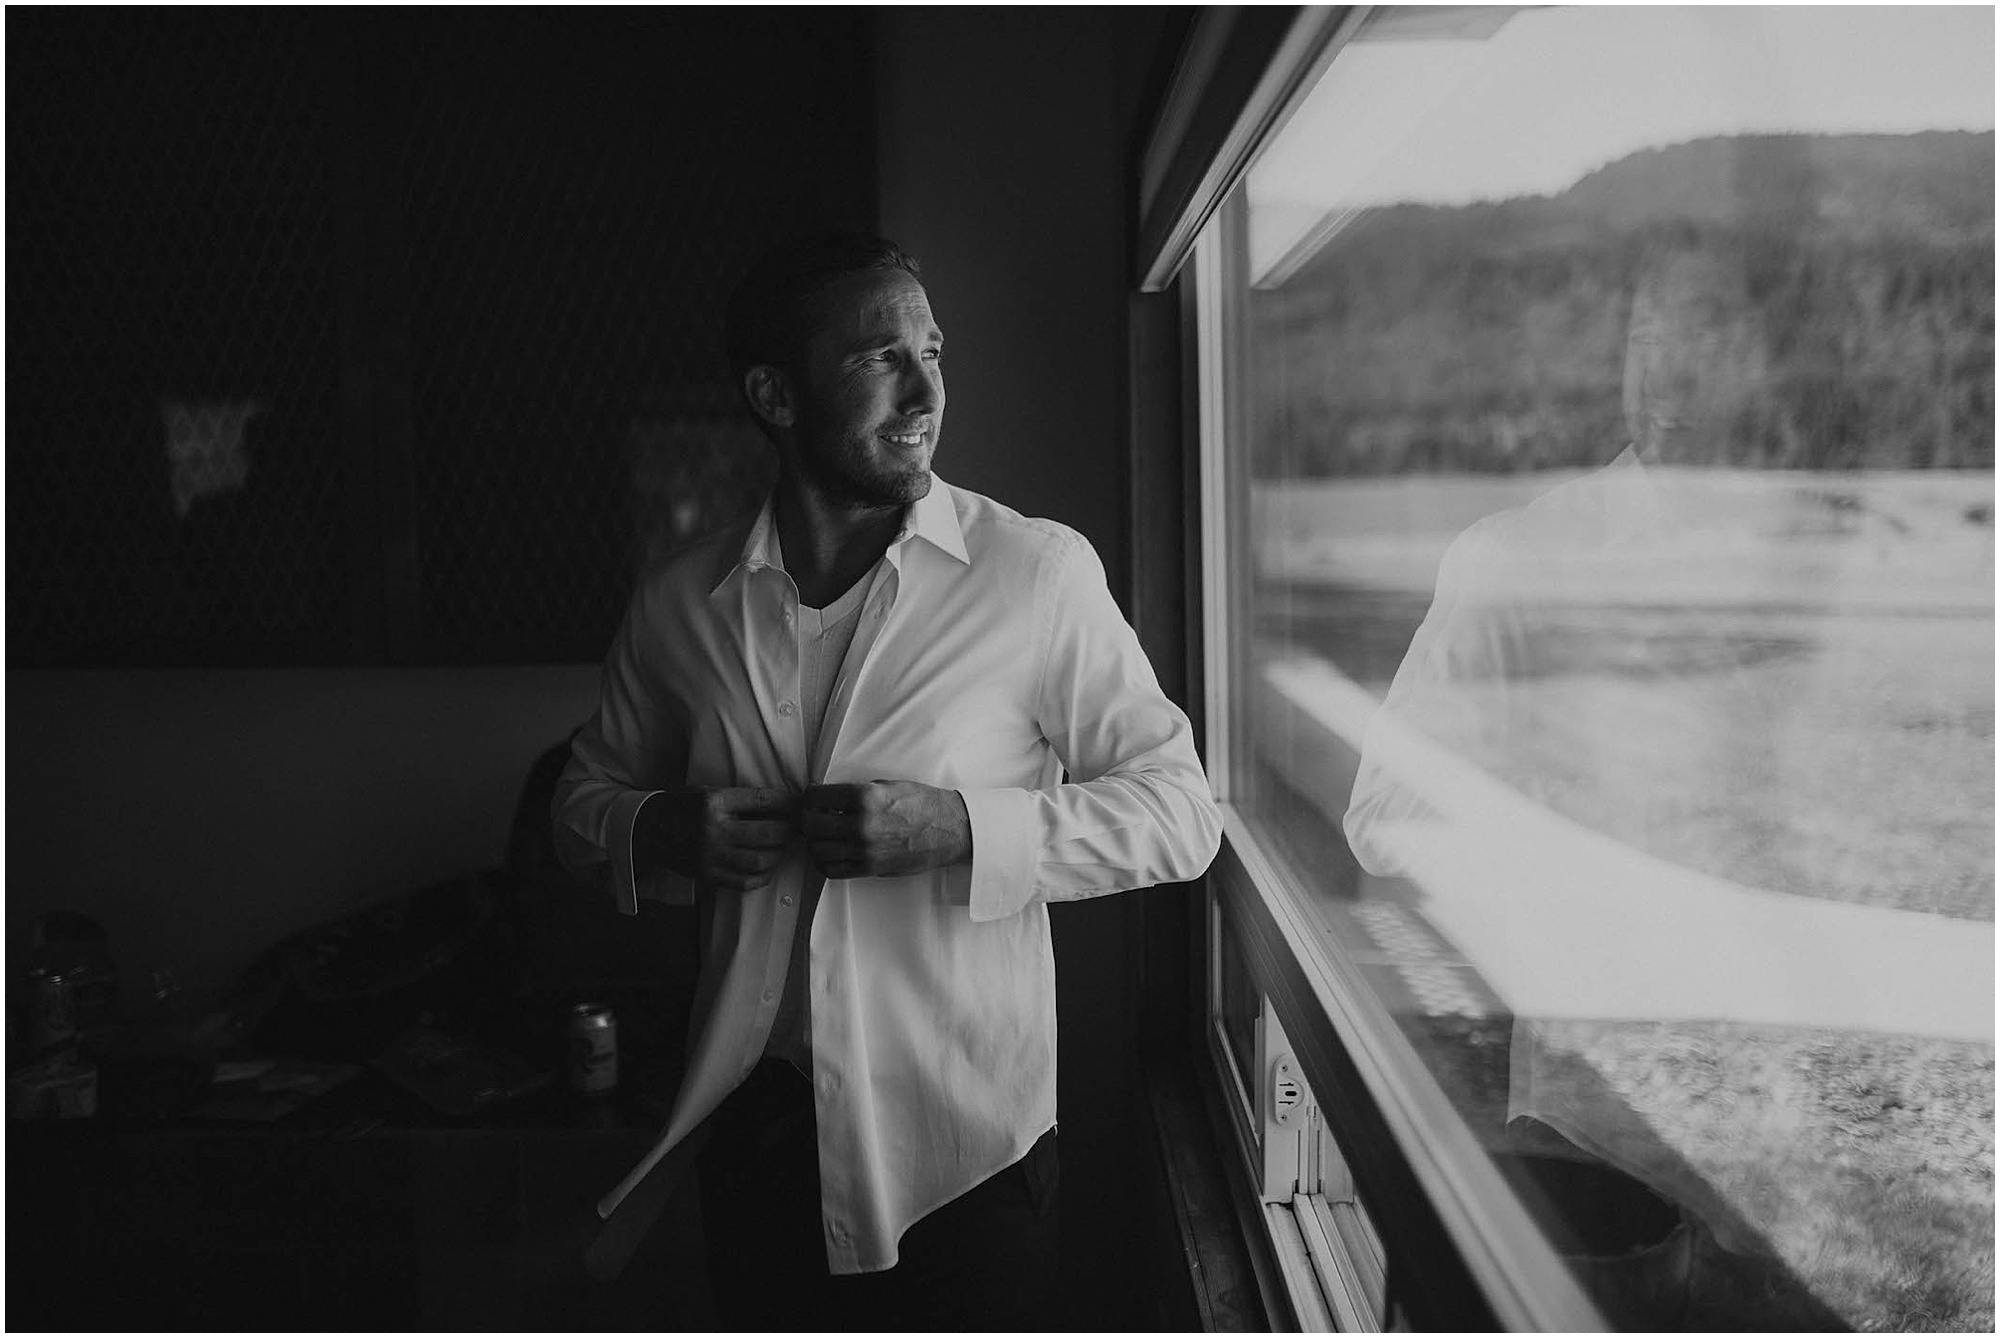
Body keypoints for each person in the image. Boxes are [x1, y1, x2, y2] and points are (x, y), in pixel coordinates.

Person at [552, 232, 1222, 1329]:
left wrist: (959, 830)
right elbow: (578, 808)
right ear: (774, 394)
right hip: (751, 1140)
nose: (925, 391)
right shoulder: (681, 601)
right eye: (879, 358)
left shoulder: (1034, 574)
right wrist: (660, 828)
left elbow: (1180, 814)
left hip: (965, 1158)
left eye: (933, 351)